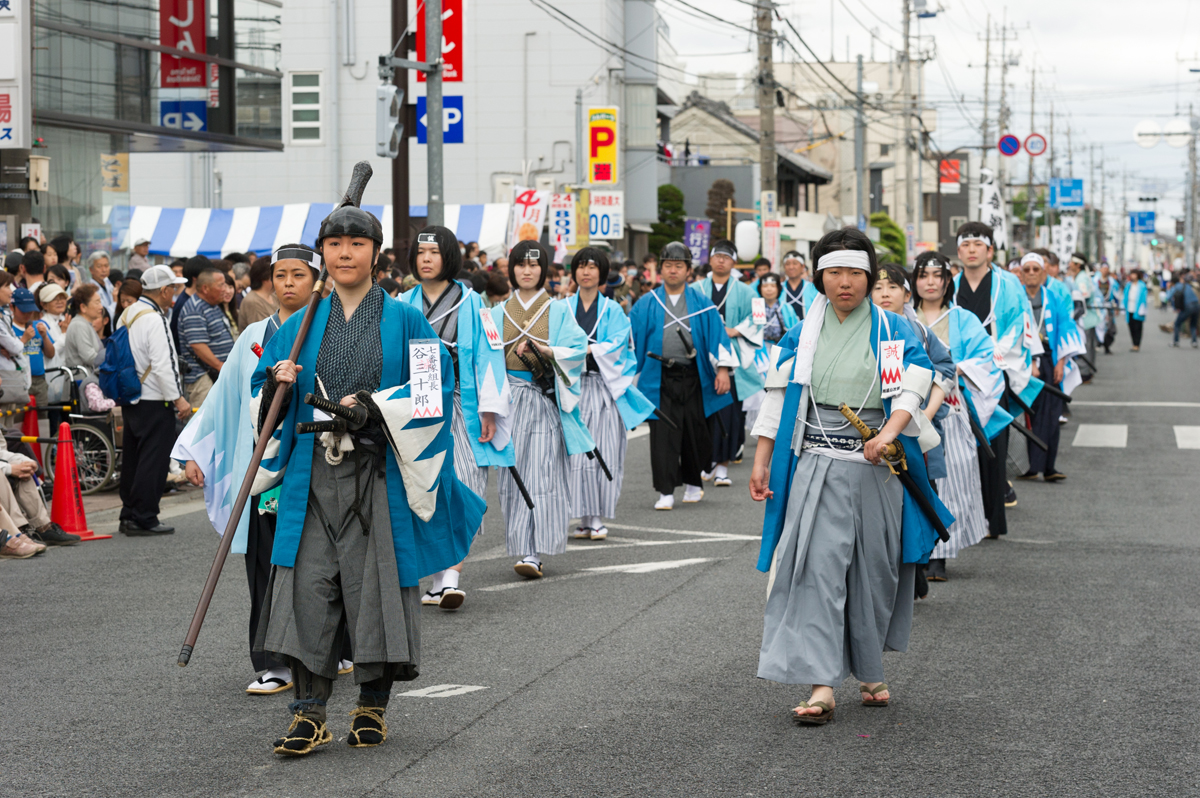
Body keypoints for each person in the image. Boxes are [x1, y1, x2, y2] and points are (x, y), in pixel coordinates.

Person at [251, 184, 484, 756]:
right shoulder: (299, 324)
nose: (345, 253)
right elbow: (261, 397)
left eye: (357, 242)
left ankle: (371, 706)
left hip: (378, 471)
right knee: (306, 587)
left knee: (375, 586)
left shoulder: (406, 319)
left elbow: (434, 392)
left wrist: (377, 408)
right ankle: (308, 712)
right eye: (335, 243)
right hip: (310, 474)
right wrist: (277, 385)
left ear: (376, 252)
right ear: (323, 253)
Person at [749, 226, 950, 725]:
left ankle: (869, 667)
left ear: (869, 276)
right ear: (820, 276)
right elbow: (778, 399)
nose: (846, 282)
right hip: (816, 463)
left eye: (856, 273)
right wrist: (761, 457)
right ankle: (821, 684)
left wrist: (889, 434)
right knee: (816, 572)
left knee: (873, 572)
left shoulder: (891, 330)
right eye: (835, 272)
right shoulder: (802, 332)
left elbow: (909, 390)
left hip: (875, 469)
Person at [175, 244, 341, 695]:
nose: (288, 283)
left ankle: (329, 647)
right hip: (268, 468)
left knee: (326, 563)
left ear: (316, 281)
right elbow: (223, 399)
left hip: (325, 459)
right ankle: (273, 661)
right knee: (266, 564)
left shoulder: (336, 329)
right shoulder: (255, 334)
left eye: (298, 275)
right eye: (280, 275)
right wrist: (192, 451)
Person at [401, 226, 512, 607]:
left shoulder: (472, 302)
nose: (426, 259)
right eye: (421, 252)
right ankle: (436, 578)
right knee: (422, 485)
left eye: (434, 252)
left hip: (462, 402)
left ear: (448, 257)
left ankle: (450, 576)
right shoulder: (402, 301)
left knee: (465, 481)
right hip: (415, 403)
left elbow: (490, 356)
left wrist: (490, 409)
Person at [489, 241, 592, 578]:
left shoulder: (559, 310)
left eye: (534, 265)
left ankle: (536, 550)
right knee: (512, 475)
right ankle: (523, 548)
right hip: (508, 401)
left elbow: (577, 350)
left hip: (542, 398)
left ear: (543, 269)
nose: (527, 271)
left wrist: (547, 352)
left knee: (543, 473)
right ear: (511, 269)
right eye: (520, 264)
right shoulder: (497, 312)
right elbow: (485, 360)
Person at [911, 251, 1008, 581]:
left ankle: (940, 555)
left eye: (937, 276)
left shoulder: (962, 317)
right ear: (914, 281)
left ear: (947, 281)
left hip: (949, 407)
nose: (930, 282)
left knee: (950, 480)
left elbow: (987, 357)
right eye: (923, 275)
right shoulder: (903, 316)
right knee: (912, 479)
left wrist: (956, 369)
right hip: (906, 407)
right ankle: (915, 552)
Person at [630, 242, 736, 510]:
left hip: (694, 376)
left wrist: (722, 369)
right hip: (659, 377)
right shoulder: (647, 303)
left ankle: (693, 483)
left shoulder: (702, 303)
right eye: (668, 265)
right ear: (660, 270)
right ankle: (665, 490)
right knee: (662, 434)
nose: (673, 270)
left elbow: (717, 338)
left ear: (688, 270)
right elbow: (631, 342)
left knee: (695, 432)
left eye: (679, 266)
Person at [952, 221, 1040, 530]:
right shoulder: (952, 284)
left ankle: (993, 518)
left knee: (993, 445)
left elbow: (1019, 324)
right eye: (966, 245)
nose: (972, 250)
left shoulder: (1008, 284)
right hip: (957, 375)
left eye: (978, 245)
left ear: (990, 250)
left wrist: (990, 358)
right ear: (959, 250)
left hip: (992, 372)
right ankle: (965, 517)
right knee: (959, 447)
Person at [565, 247, 655, 540]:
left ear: (601, 273)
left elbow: (620, 347)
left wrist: (589, 349)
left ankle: (597, 517)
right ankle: (583, 517)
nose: (586, 272)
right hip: (571, 389)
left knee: (602, 452)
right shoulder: (562, 308)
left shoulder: (613, 310)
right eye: (581, 266)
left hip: (602, 389)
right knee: (575, 456)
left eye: (592, 267)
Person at [115, 265, 191, 536]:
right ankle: (145, 515)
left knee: (134, 457)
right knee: (154, 460)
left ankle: (129, 513)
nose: (174, 293)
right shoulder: (154, 318)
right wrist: (178, 399)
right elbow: (163, 364)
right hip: (154, 397)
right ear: (163, 290)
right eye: (173, 288)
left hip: (131, 395)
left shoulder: (128, 313)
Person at [696, 239, 765, 486]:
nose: (721, 260)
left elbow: (759, 317)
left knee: (729, 413)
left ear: (733, 262)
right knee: (701, 414)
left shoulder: (748, 291)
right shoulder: (696, 289)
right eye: (717, 256)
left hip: (732, 359)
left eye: (726, 257)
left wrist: (736, 330)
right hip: (702, 358)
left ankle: (723, 467)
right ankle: (707, 462)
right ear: (710, 260)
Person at [1014, 252, 1079, 483]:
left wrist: (1061, 361)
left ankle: (1048, 466)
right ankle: (1027, 465)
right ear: (1021, 274)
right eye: (1027, 269)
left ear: (1043, 272)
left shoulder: (1054, 297)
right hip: (1021, 359)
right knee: (1025, 412)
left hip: (1051, 358)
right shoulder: (1015, 296)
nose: (1031, 273)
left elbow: (1066, 326)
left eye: (1036, 269)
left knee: (1051, 413)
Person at [179, 267, 236, 407]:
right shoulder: (195, 309)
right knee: (204, 423)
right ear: (205, 288)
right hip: (203, 378)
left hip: (215, 375)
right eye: (220, 285)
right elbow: (197, 345)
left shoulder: (213, 304)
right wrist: (220, 365)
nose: (225, 289)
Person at [11, 287, 56, 415]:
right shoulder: (8, 329)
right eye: (23, 310)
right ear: (12, 307)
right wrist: (24, 339)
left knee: (42, 419)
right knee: (19, 418)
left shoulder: (37, 326)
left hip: (39, 380)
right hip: (19, 381)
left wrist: (45, 336)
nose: (27, 314)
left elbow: (50, 354)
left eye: (30, 310)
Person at [1066, 254, 1102, 374]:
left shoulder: (1081, 278)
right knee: (1087, 345)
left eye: (1072, 262)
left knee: (1086, 346)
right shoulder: (1079, 276)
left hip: (1086, 317)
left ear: (1078, 265)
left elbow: (1084, 295)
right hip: (1085, 317)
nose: (1069, 264)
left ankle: (1085, 372)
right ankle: (1087, 370)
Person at [756, 273, 800, 345]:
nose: (769, 289)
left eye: (773, 286)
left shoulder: (787, 308)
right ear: (760, 288)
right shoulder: (755, 306)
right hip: (759, 349)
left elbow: (795, 330)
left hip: (781, 347)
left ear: (779, 288)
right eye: (765, 286)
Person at [238, 257, 278, 328]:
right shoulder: (253, 301)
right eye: (278, 275)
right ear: (266, 278)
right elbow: (263, 332)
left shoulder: (273, 296)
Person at [781, 250, 818, 322]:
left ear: (802, 266)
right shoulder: (779, 288)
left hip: (808, 330)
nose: (791, 267)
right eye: (787, 264)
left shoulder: (813, 288)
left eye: (795, 263)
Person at [1166, 273, 1200, 348]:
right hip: (1197, 305)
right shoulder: (1187, 285)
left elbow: (1168, 298)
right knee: (1193, 325)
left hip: (1188, 307)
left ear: (1172, 282)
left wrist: (1168, 288)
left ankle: (1176, 342)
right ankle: (1194, 342)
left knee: (1177, 323)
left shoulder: (1176, 287)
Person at [82, 251, 117, 320]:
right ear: (91, 270)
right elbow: (103, 314)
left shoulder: (108, 283)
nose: (104, 270)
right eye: (99, 266)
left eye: (106, 266)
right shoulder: (89, 290)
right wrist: (115, 301)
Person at [1123, 269, 1148, 351]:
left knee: (1138, 327)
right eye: (1132, 274)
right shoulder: (1128, 285)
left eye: (1134, 274)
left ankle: (1137, 344)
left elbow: (1144, 298)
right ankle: (1133, 343)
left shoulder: (1142, 285)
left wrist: (1143, 308)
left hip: (1138, 308)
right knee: (1131, 326)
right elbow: (1125, 296)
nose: (1133, 276)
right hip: (1129, 307)